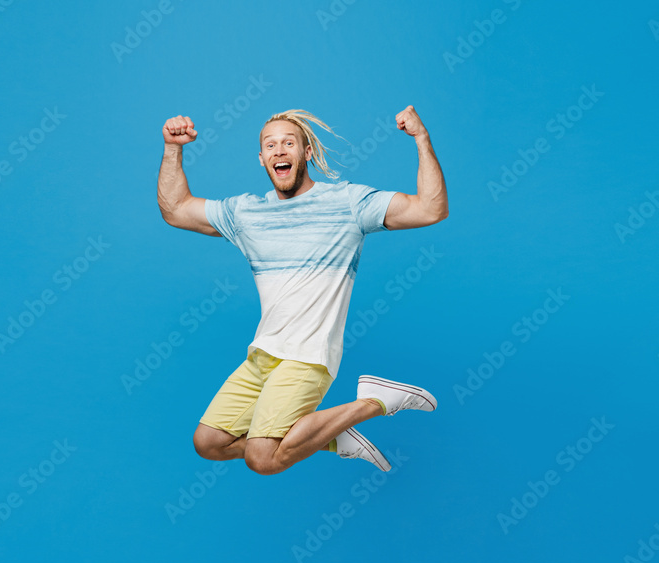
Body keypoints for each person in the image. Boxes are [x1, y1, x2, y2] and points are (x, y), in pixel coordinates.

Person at [156, 106, 448, 475]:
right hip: (263, 353)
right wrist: (172, 148)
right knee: (210, 443)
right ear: (261, 158)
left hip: (308, 355)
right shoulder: (246, 214)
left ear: (306, 152)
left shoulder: (348, 203)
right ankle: (329, 435)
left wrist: (422, 140)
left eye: (289, 143)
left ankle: (377, 401)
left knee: (262, 458)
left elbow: (431, 209)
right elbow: (176, 209)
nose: (279, 150)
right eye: (270, 145)